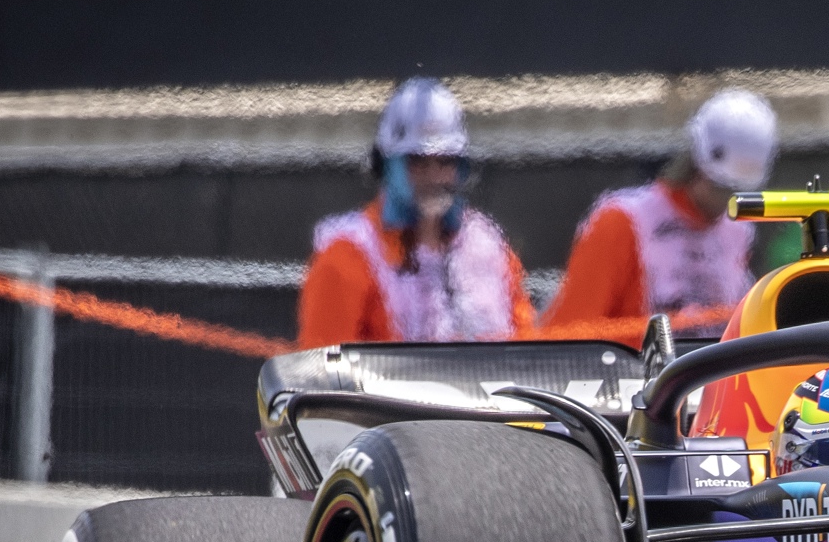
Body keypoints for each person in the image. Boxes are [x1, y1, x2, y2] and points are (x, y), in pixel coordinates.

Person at [298, 78, 533, 347]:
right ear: (387, 166)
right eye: (418, 162)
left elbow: (528, 349)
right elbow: (323, 367)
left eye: (445, 161)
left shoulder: (489, 248)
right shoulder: (346, 255)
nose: (434, 177)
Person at [543, 88, 777, 343]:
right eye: (718, 186)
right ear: (695, 164)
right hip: (634, 368)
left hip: (712, 366)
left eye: (736, 191)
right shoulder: (622, 221)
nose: (725, 201)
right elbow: (566, 338)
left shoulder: (739, 232)